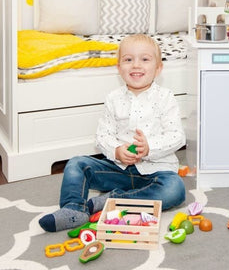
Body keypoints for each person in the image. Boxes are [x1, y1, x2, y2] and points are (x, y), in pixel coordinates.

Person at [39, 34, 186, 232]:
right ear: (119, 68)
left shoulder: (165, 98)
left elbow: (177, 136)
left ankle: (110, 201)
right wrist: (116, 150)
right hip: (119, 170)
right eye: (128, 59)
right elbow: (102, 136)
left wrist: (150, 147)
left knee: (175, 189)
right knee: (76, 164)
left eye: (144, 59)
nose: (136, 65)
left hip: (157, 172)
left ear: (158, 68)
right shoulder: (113, 98)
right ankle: (73, 208)